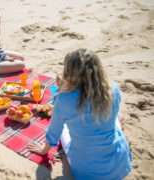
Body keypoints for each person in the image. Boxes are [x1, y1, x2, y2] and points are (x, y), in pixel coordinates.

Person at [27, 49, 132, 180]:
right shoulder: (113, 88)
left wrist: (44, 150)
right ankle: (117, 119)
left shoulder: (64, 98)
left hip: (86, 170)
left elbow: (54, 132)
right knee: (111, 116)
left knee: (65, 127)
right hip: (118, 163)